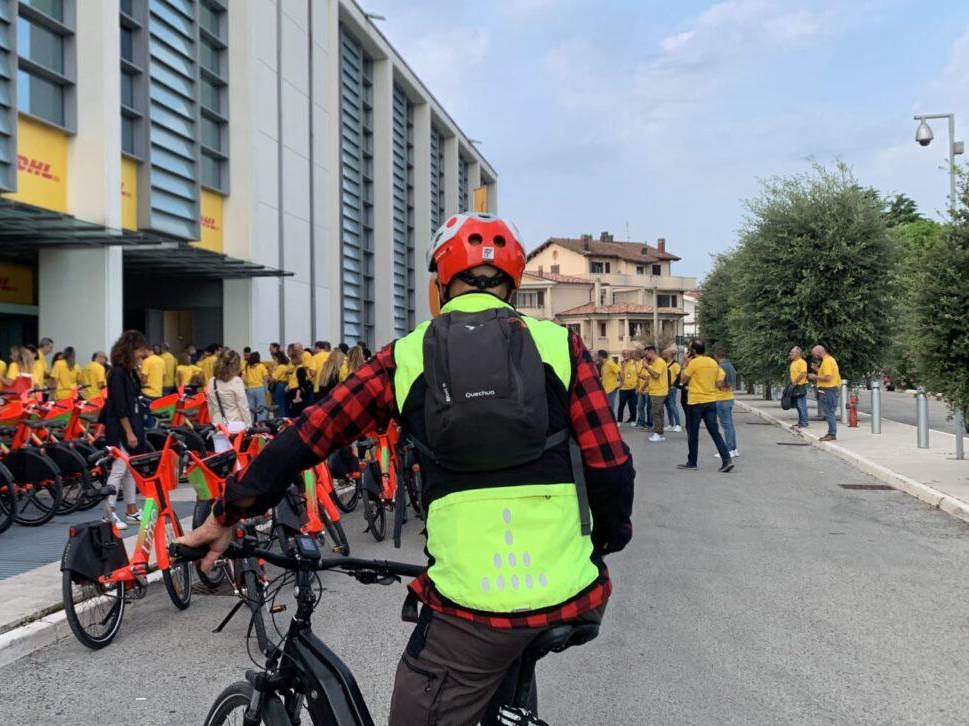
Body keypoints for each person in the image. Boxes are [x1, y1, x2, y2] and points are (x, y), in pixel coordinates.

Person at [179, 212, 634, 726]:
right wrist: (603, 543)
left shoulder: (407, 355)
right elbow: (612, 465)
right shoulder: (560, 345)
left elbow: (310, 435)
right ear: (513, 283)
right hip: (574, 592)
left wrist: (226, 513)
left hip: (474, 609)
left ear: (440, 284)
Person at [101, 330, 154, 528]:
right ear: (131, 349)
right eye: (140, 349)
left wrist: (139, 368)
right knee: (119, 468)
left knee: (130, 469)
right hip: (121, 426)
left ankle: (131, 509)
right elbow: (120, 406)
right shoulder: (117, 373)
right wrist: (129, 432)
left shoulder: (129, 372)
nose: (143, 354)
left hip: (131, 423)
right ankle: (109, 512)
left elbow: (137, 393)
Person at [677, 340, 733, 472]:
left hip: (695, 401)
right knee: (714, 432)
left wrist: (685, 364)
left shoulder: (694, 363)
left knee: (693, 432)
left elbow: (683, 379)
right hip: (711, 400)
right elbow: (719, 382)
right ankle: (726, 459)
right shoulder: (712, 362)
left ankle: (692, 462)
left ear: (693, 351)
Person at [205, 349, 251, 450]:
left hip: (217, 425)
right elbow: (243, 407)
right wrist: (248, 426)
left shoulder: (212, 381)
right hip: (235, 425)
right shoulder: (236, 381)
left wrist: (214, 423)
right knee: (237, 460)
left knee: (220, 458)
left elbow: (210, 406)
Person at [809, 344, 841, 441]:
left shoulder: (827, 362)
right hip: (830, 390)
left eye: (814, 354)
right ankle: (831, 433)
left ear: (819, 352)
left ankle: (832, 433)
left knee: (829, 412)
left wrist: (815, 377)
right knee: (829, 412)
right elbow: (826, 373)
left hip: (828, 390)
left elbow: (828, 377)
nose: (814, 356)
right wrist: (817, 369)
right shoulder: (829, 360)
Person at [712, 347, 738, 458]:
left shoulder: (720, 367)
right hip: (729, 398)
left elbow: (720, 383)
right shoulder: (730, 366)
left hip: (721, 398)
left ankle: (728, 450)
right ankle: (733, 448)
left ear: (716, 356)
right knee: (730, 425)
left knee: (726, 425)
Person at [642, 345, 669, 442]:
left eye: (647, 354)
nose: (646, 356)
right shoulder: (655, 363)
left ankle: (658, 434)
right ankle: (659, 433)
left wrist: (646, 366)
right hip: (655, 391)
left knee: (656, 413)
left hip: (659, 391)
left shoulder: (659, 362)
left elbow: (655, 375)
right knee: (658, 413)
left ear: (651, 352)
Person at [241, 351, 269, 421]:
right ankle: (260, 422)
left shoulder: (247, 366)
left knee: (251, 407)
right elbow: (266, 378)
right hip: (259, 388)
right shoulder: (261, 366)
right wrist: (266, 389)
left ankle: (250, 422)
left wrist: (248, 382)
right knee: (261, 407)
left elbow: (243, 378)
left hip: (250, 388)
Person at [662, 349, 683, 433]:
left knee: (672, 406)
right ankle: (671, 424)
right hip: (664, 388)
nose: (663, 356)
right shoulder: (664, 363)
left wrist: (674, 386)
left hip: (671, 388)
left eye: (664, 355)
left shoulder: (675, 364)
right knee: (668, 407)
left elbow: (679, 376)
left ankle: (678, 425)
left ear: (669, 355)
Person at [788, 346, 809, 429]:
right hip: (795, 386)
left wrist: (795, 381)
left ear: (797, 353)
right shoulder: (793, 362)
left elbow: (803, 373)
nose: (790, 354)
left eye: (792, 352)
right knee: (797, 405)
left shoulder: (801, 362)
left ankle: (804, 422)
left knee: (801, 404)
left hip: (800, 385)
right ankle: (800, 421)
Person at [617, 350, 638, 425]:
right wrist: (622, 366)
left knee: (633, 405)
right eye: (623, 354)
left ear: (630, 354)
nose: (625, 355)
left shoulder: (635, 363)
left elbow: (638, 374)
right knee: (621, 405)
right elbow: (619, 375)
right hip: (623, 388)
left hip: (633, 388)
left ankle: (633, 419)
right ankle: (619, 420)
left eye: (626, 354)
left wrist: (638, 386)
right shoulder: (621, 363)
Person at [596, 349, 620, 415]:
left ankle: (612, 423)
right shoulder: (603, 365)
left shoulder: (610, 363)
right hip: (605, 390)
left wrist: (621, 384)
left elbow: (620, 372)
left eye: (598, 356)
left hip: (611, 390)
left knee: (610, 408)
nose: (597, 358)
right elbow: (604, 377)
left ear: (601, 356)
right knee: (605, 407)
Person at [268, 350, 291, 419]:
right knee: (284, 404)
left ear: (278, 358)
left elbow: (274, 377)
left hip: (280, 385)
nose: (274, 360)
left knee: (280, 405)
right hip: (284, 384)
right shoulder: (285, 366)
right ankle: (285, 418)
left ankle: (282, 419)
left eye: (274, 359)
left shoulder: (281, 367)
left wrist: (271, 371)